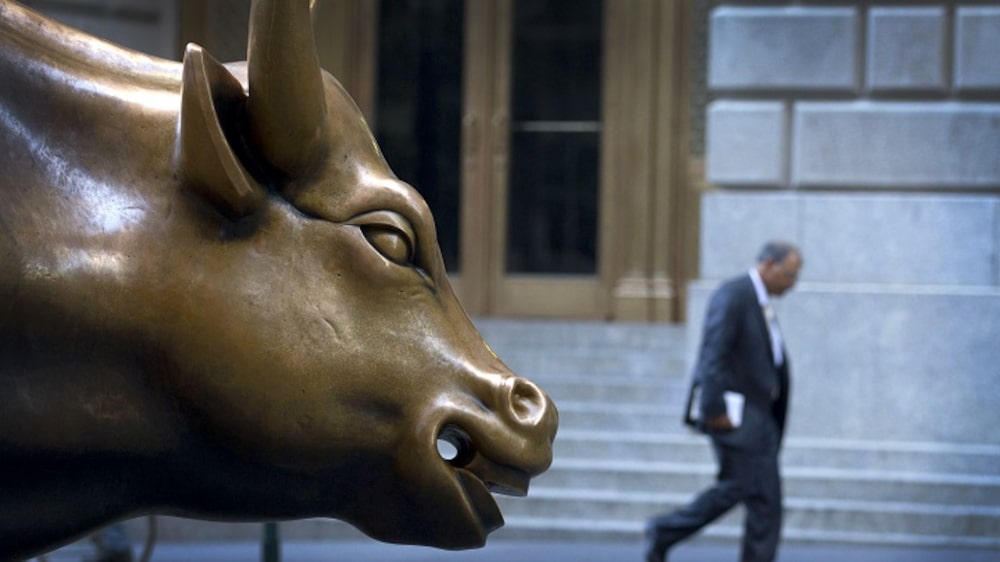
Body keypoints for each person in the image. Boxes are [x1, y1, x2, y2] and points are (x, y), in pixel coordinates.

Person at [645, 241, 803, 562]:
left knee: (746, 492)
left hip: (759, 416)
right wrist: (713, 408)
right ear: (768, 266)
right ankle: (665, 529)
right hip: (736, 416)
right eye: (789, 275)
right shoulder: (734, 295)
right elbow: (713, 353)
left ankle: (665, 531)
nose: (792, 284)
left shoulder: (760, 302)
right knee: (761, 499)